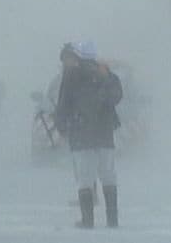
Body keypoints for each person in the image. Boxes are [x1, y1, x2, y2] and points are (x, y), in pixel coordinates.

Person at [52, 39, 123, 228]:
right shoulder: (106, 74)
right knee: (108, 176)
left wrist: (61, 127)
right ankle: (112, 219)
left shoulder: (71, 75)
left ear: (79, 55)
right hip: (105, 134)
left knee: (85, 178)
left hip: (81, 134)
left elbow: (63, 103)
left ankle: (88, 220)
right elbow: (117, 97)